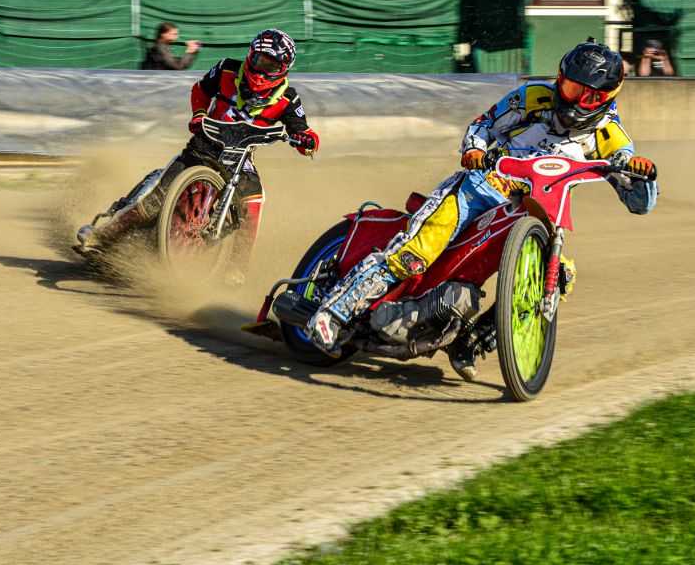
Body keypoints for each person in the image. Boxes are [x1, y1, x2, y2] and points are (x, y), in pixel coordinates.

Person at [306, 40, 659, 379]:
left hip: (533, 215)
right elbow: (483, 125)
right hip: (479, 189)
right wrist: (474, 150)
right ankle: (334, 311)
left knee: (559, 276)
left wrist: (642, 177)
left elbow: (637, 197)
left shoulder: (609, 135)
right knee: (418, 250)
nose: (574, 99)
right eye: (568, 87)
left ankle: (471, 341)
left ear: (604, 97)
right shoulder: (531, 98)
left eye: (586, 94)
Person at [81, 29, 318, 261]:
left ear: (283, 69)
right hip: (203, 146)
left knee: (253, 201)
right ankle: (102, 237)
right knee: (152, 202)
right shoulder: (227, 68)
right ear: (250, 54)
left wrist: (307, 141)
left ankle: (237, 269)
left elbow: (301, 129)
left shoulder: (289, 97)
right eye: (259, 60)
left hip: (241, 157)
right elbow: (201, 90)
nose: (261, 70)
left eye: (271, 66)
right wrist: (200, 114)